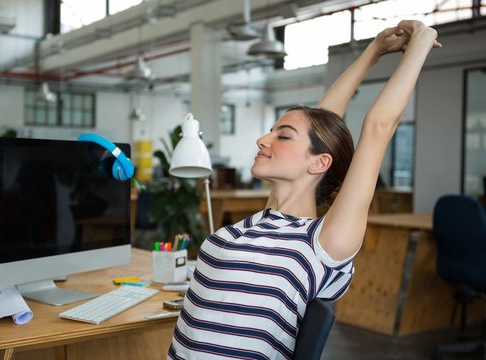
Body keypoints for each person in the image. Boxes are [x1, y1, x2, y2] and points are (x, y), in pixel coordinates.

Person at [167, 20, 441, 360]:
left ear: (318, 163)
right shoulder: (263, 220)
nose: (262, 139)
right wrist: (373, 51)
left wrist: (420, 43)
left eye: (282, 136)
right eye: (271, 131)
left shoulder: (321, 242)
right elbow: (322, 120)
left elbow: (378, 127)